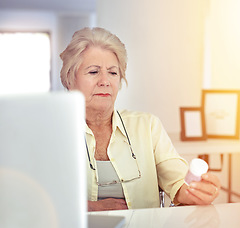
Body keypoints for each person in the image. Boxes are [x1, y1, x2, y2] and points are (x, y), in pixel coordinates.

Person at [60, 27, 221, 211]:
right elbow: (38, 198)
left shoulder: (147, 126)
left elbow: (179, 183)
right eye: (93, 72)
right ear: (69, 79)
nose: (105, 81)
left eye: (113, 73)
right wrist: (89, 208)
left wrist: (197, 191)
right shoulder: (54, 133)